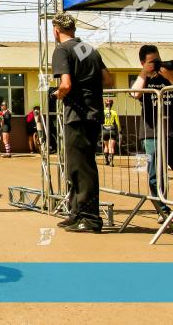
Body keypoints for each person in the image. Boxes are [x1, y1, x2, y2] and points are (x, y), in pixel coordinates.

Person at [52, 12, 112, 233]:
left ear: (56, 30)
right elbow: (108, 79)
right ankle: (76, 213)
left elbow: (65, 84)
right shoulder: (88, 48)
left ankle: (90, 218)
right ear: (74, 29)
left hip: (77, 114)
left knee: (82, 167)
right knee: (79, 166)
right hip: (93, 113)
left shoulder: (61, 50)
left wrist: (58, 94)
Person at [130, 45, 173, 222]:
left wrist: (169, 76)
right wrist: (143, 72)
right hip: (151, 135)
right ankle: (162, 210)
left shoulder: (169, 77)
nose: (156, 64)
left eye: (158, 59)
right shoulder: (143, 79)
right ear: (143, 62)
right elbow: (134, 93)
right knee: (156, 175)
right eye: (152, 61)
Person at [101, 98, 120, 166]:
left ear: (105, 104)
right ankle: (111, 162)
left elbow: (100, 122)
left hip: (104, 130)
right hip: (112, 130)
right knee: (111, 147)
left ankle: (106, 161)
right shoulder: (114, 112)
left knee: (106, 146)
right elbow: (117, 123)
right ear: (112, 104)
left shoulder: (102, 112)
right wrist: (120, 131)